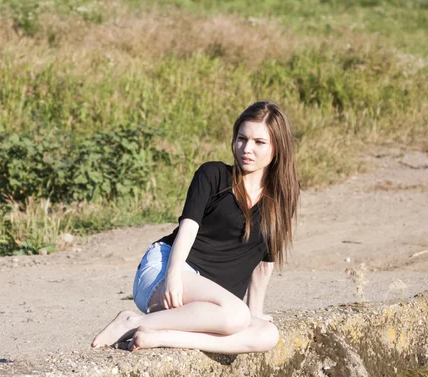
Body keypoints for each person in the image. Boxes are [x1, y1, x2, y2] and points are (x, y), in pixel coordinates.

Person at [91, 101, 300, 354]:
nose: (247, 149)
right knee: (236, 315)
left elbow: (263, 263)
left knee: (266, 335)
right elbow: (187, 229)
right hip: (168, 270)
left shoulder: (282, 197)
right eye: (242, 138)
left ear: (277, 147)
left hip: (215, 306)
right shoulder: (212, 175)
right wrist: (173, 277)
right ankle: (133, 322)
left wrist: (255, 313)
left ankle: (161, 337)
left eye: (259, 142)